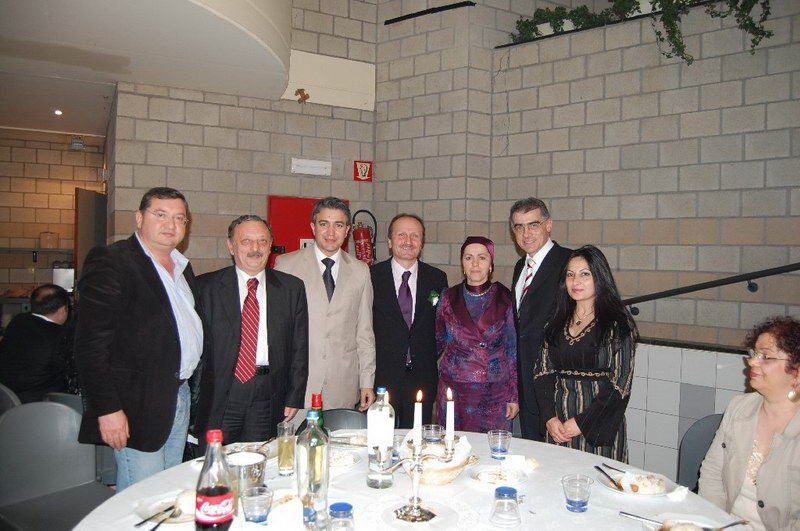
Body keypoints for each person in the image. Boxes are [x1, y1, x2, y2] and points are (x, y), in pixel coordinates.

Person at [74, 187, 204, 491]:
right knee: (141, 498)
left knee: (167, 492)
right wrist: (107, 409)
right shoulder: (113, 261)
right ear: (139, 218)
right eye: (161, 215)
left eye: (179, 218)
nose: (171, 224)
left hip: (178, 396)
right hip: (136, 404)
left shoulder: (183, 268)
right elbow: (90, 345)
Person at [195, 215, 309, 444]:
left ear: (270, 245)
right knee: (218, 461)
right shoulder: (205, 287)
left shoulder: (291, 288)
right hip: (221, 395)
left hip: (268, 394)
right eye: (246, 241)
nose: (255, 248)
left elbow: (299, 347)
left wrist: (294, 395)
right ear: (231, 246)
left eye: (262, 241)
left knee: (260, 459)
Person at [533, 245, 637, 461]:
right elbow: (542, 372)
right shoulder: (555, 321)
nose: (576, 281)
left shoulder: (617, 324)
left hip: (598, 427)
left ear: (599, 277)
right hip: (558, 426)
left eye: (585, 274)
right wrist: (549, 418)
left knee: (599, 480)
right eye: (570, 275)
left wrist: (581, 423)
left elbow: (621, 384)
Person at [699, 316, 800, 531]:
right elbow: (711, 473)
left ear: (797, 371)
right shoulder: (739, 407)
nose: (752, 362)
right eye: (754, 353)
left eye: (766, 357)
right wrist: (717, 524)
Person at [274, 197, 376, 411]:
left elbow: (364, 332)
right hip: (298, 387)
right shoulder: (286, 265)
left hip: (342, 385)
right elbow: (277, 331)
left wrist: (367, 381)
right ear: (313, 227)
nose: (331, 232)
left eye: (338, 225)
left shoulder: (361, 271)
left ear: (347, 230)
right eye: (324, 224)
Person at [371, 214, 448, 427]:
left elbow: (441, 326)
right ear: (389, 241)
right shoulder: (371, 277)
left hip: (422, 378)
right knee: (382, 439)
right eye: (401, 235)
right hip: (382, 378)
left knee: (417, 440)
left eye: (415, 236)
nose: (408, 241)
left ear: (422, 243)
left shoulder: (437, 278)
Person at [435, 236, 518, 433]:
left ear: (491, 264)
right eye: (468, 258)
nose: (475, 264)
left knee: (491, 448)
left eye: (482, 258)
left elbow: (512, 350)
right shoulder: (448, 297)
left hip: (494, 392)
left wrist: (513, 395)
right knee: (453, 445)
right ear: (462, 264)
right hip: (454, 390)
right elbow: (437, 341)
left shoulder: (505, 298)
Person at [510, 197, 572, 441]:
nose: (526, 233)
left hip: (556, 384)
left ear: (548, 225)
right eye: (519, 227)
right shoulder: (520, 267)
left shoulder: (569, 263)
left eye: (533, 225)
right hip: (526, 382)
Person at [0, 284, 70, 403]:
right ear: (63, 309)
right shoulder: (60, 335)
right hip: (39, 405)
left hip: (6, 399)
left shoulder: (18, 321)